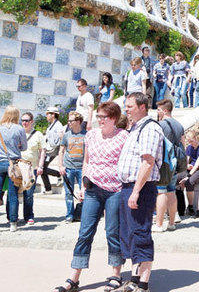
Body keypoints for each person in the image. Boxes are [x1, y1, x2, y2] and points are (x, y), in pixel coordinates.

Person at [51, 102, 129, 292]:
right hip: (93, 189)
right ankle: (74, 277)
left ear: (114, 119)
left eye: (105, 117)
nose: (100, 120)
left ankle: (116, 274)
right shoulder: (91, 135)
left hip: (115, 190)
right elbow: (87, 161)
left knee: (112, 232)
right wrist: (83, 186)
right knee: (84, 232)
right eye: (99, 117)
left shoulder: (124, 137)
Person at [117, 92, 164, 292]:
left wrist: (136, 191)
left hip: (141, 188)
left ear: (142, 107)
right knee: (131, 234)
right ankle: (134, 279)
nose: (126, 110)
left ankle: (143, 283)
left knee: (140, 232)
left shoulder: (150, 128)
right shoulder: (136, 128)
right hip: (129, 187)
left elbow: (148, 161)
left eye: (130, 106)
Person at [154, 100, 185, 232]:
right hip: (175, 163)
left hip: (164, 163)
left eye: (159, 110)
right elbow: (183, 143)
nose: (158, 112)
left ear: (165, 110)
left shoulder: (161, 125)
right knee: (172, 191)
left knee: (161, 192)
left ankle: (159, 224)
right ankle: (172, 223)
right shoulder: (179, 125)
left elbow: (158, 144)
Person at [0, 106, 27, 232]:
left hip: (0, 163)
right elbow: (24, 147)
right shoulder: (19, 129)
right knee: (13, 194)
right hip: (14, 164)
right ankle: (13, 223)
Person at [59, 111, 87, 223]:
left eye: (71, 121)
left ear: (78, 121)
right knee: (68, 192)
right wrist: (61, 166)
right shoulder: (66, 135)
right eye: (68, 121)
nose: (69, 123)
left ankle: (83, 214)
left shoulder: (86, 134)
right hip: (68, 167)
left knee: (84, 192)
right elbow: (61, 151)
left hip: (82, 168)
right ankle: (69, 215)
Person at [19, 111, 46, 225]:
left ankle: (29, 216)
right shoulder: (18, 132)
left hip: (31, 168)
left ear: (31, 122)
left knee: (29, 194)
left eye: (26, 120)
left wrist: (40, 166)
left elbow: (43, 151)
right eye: (23, 120)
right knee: (13, 194)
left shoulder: (38, 134)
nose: (24, 123)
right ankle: (12, 216)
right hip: (18, 167)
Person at [176, 132, 199, 216]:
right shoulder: (189, 147)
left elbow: (198, 164)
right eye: (189, 142)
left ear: (196, 138)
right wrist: (187, 166)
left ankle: (190, 206)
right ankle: (179, 208)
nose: (191, 143)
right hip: (190, 168)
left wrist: (188, 176)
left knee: (189, 181)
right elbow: (186, 160)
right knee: (177, 179)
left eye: (192, 141)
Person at [41, 106, 65, 194]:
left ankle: (58, 175)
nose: (46, 116)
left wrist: (61, 151)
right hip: (48, 150)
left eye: (48, 114)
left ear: (53, 115)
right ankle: (48, 188)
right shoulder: (51, 125)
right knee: (42, 168)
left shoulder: (58, 125)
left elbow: (62, 136)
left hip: (53, 150)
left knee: (42, 168)